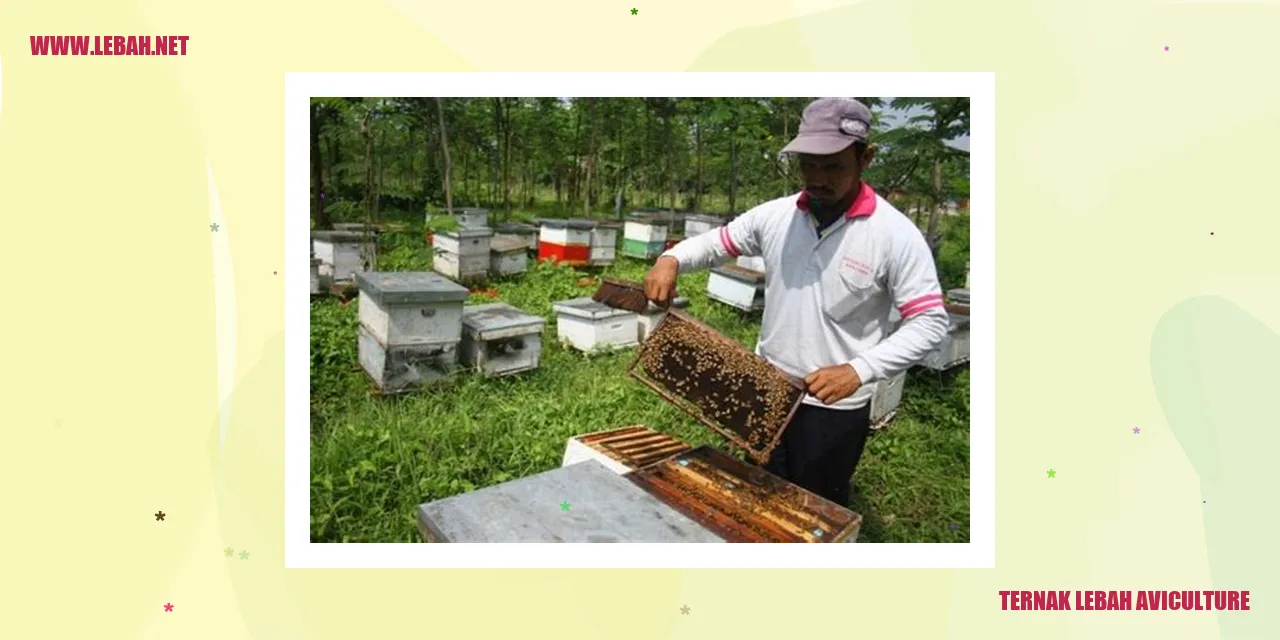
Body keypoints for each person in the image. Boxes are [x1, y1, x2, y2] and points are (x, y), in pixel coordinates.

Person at [643, 97, 951, 507]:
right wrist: (672, 258)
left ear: (866, 158)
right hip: (764, 386)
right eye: (809, 164)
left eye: (833, 166)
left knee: (812, 507)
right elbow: (719, 243)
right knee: (756, 493)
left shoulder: (894, 234)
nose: (818, 177)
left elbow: (930, 321)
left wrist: (859, 370)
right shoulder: (776, 216)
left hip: (833, 405)